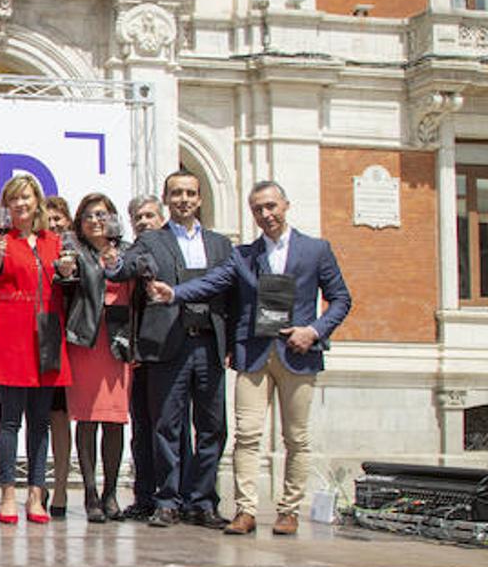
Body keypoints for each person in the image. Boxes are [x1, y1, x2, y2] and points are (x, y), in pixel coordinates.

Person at [148, 181, 351, 535]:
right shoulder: (243, 256)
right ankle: (246, 510)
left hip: (298, 353)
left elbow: (341, 299)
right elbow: (213, 282)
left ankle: (289, 510)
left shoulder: (316, 250)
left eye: (271, 206)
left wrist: (314, 331)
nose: (266, 214)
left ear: (286, 205)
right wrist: (175, 293)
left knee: (296, 437)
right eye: (258, 209)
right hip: (253, 354)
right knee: (247, 434)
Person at [106, 170, 234, 529]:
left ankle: (203, 501)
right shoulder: (152, 240)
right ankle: (167, 500)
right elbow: (126, 268)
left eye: (190, 193)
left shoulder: (220, 245)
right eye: (176, 193)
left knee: (212, 427)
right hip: (167, 345)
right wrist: (114, 263)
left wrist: (231, 344)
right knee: (166, 427)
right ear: (167, 199)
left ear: (200, 198)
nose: (183, 200)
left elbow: (232, 294)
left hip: (208, 344)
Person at [0, 175, 75, 524]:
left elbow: (67, 285)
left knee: (40, 422)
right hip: (10, 334)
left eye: (26, 198)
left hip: (46, 334)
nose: (20, 204)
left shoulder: (54, 241)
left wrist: (68, 272)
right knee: (9, 421)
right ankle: (7, 492)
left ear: (37, 202)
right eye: (14, 199)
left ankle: (36, 493)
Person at [62, 193, 133, 522]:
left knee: (115, 420)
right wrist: (66, 271)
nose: (95, 221)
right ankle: (90, 493)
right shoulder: (74, 251)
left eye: (101, 215)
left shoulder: (127, 251)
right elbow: (63, 280)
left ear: (113, 218)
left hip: (119, 343)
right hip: (86, 342)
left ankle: (111, 493)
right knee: (87, 419)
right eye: (88, 215)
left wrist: (119, 263)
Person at [120, 193, 165, 520]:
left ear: (161, 218)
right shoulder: (129, 255)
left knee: (170, 428)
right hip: (139, 353)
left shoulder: (170, 252)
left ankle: (172, 496)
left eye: (150, 215)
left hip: (169, 350)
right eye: (138, 217)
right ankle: (144, 496)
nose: (144, 222)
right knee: (142, 428)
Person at [43, 195, 75, 518]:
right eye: (48, 220)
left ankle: (62, 486)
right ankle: (41, 484)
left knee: (63, 417)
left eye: (58, 219)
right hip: (46, 336)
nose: (53, 225)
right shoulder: (39, 247)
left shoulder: (75, 250)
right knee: (46, 415)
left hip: (75, 338)